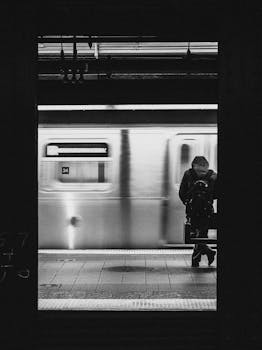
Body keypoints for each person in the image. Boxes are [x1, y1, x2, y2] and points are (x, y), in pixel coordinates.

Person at [179, 156, 217, 267]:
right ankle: (208, 253)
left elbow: (182, 192)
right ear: (207, 165)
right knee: (201, 236)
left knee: (196, 236)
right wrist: (207, 200)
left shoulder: (188, 174)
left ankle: (196, 261)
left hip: (192, 213)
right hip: (207, 213)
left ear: (193, 165)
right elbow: (217, 193)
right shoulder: (213, 176)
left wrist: (188, 203)